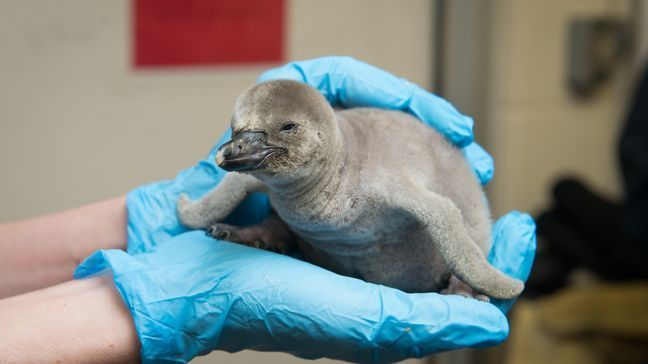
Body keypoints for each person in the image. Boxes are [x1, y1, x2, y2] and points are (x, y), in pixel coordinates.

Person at [0, 57, 536, 363]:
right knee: (281, 208)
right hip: (328, 242)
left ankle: (452, 282)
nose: (247, 148)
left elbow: (438, 209)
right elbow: (231, 186)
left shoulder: (372, 181)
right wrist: (181, 213)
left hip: (427, 255)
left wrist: (478, 272)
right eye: (242, 135)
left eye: (279, 133)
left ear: (321, 136)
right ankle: (277, 230)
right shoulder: (264, 172)